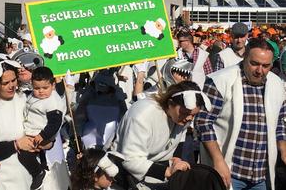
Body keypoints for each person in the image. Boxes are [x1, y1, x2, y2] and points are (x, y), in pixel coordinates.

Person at [195, 38, 286, 190]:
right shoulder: (220, 80)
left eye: (265, 66)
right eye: (254, 63)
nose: (259, 70)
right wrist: (218, 160)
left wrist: (283, 149)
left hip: (261, 175)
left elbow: (280, 123)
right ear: (244, 58)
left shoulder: (277, 84)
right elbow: (203, 122)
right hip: (229, 171)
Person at [114, 81, 211, 190]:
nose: (189, 118)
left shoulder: (181, 117)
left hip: (154, 177)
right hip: (122, 176)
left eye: (193, 115)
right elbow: (130, 159)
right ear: (170, 103)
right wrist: (168, 171)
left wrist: (176, 160)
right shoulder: (143, 114)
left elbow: (179, 139)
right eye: (185, 113)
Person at [0, 60, 41, 190]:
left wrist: (40, 142)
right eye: (5, 83)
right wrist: (16, 145)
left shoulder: (24, 98)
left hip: (29, 175)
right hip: (2, 179)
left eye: (13, 80)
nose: (11, 86)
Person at [20, 66, 64, 189]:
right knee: (35, 154)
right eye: (37, 88)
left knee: (24, 154)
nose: (41, 91)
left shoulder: (52, 102)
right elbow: (28, 96)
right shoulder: (33, 95)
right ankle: (43, 165)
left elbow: (54, 123)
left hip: (39, 134)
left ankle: (38, 173)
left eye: (45, 88)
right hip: (30, 131)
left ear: (53, 85)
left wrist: (43, 135)